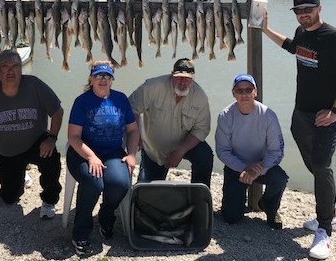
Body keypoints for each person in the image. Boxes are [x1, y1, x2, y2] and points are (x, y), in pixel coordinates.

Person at [262, 0, 336, 259]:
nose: (304, 14)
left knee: (321, 166)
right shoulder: (302, 33)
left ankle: (324, 229)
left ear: (319, 8)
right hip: (302, 114)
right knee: (316, 166)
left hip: (326, 115)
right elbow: (292, 46)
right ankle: (331, 215)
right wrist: (265, 29)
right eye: (299, 10)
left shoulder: (334, 37)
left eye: (308, 9)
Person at [0, 50, 63, 219]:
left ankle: (49, 200)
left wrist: (52, 138)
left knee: (51, 159)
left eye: (15, 66)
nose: (10, 71)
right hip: (7, 152)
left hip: (36, 142)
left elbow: (57, 111)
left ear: (21, 69)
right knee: (9, 198)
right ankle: (21, 176)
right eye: (5, 67)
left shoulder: (34, 85)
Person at [67, 61, 139, 256]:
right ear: (91, 79)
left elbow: (133, 130)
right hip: (82, 152)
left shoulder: (121, 99)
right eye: (98, 76)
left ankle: (106, 217)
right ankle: (80, 232)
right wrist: (91, 157)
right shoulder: (82, 102)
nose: (103, 80)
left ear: (112, 80)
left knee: (120, 183)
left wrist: (131, 154)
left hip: (113, 152)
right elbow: (73, 136)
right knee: (93, 182)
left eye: (107, 76)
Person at [215, 73, 288, 229]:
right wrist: (243, 167)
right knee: (231, 217)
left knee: (280, 178)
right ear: (233, 93)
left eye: (248, 90)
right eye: (239, 90)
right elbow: (222, 151)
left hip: (262, 165)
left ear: (255, 92)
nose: (244, 94)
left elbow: (277, 151)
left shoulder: (269, 115)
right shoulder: (225, 116)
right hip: (237, 167)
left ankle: (269, 206)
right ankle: (236, 204)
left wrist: (258, 170)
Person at [128, 58, 214, 186]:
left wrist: (181, 151)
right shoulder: (152, 87)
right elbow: (131, 108)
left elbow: (201, 128)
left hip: (185, 143)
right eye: (179, 77)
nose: (182, 82)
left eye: (187, 78)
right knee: (148, 191)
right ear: (171, 75)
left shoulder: (200, 96)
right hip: (154, 149)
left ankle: (198, 198)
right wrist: (137, 133)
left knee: (205, 156)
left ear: (193, 79)